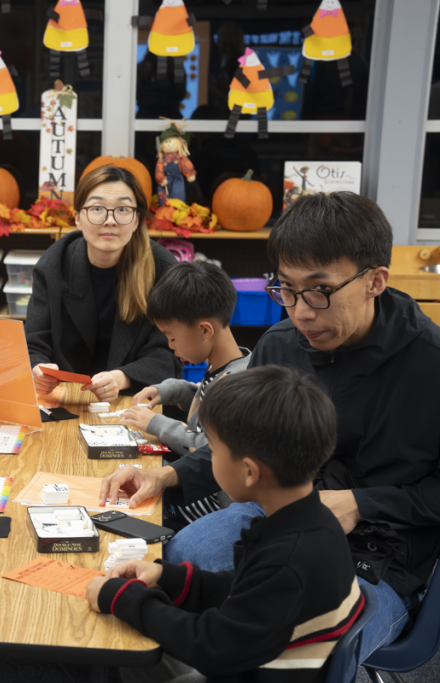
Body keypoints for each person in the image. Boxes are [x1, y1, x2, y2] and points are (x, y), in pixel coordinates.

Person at [99, 192, 440, 663]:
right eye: (286, 289)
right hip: (281, 516)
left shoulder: (430, 362)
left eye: (319, 291)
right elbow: (240, 444)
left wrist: (363, 503)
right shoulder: (282, 345)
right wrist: (165, 475)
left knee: (300, 643)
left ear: (375, 281)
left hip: (383, 551)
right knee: (178, 558)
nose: (300, 312)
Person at [87, 366, 363, 683]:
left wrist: (124, 598)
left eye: (213, 451)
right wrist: (168, 576)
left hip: (245, 670)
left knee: (132, 632)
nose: (209, 458)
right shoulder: (311, 522)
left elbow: (212, 646)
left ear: (249, 472)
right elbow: (245, 592)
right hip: (253, 657)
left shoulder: (287, 558)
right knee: (139, 632)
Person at [27, 165, 180, 404]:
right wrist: (38, 366)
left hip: (135, 397)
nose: (110, 221)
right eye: (97, 208)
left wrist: (121, 378)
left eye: (123, 209)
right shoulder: (54, 263)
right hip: (67, 396)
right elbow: (34, 341)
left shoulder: (164, 270)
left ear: (136, 220)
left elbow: (169, 355)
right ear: (78, 218)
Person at [121, 261, 249, 464]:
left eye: (172, 337)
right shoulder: (225, 368)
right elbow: (209, 409)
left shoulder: (238, 385)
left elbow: (209, 449)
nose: (170, 345)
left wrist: (157, 424)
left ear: (205, 330)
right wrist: (175, 390)